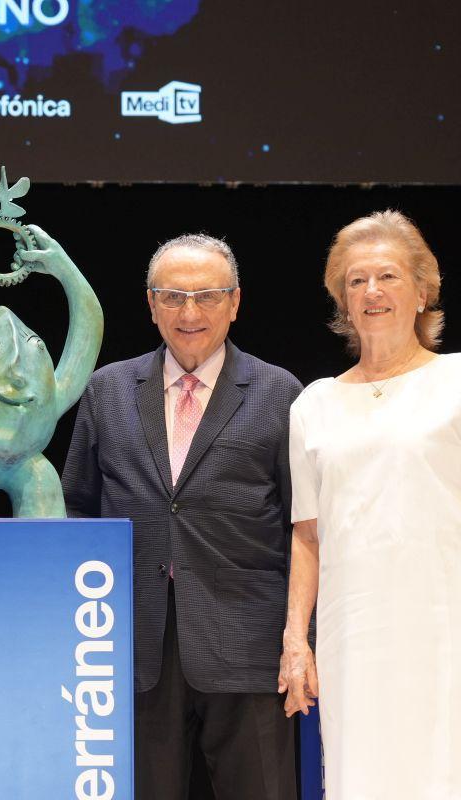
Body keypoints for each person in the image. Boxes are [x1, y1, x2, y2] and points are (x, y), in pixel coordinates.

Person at [279, 210, 461, 798]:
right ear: (342, 300)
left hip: (455, 624)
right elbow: (306, 534)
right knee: (364, 771)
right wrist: (297, 640)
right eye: (356, 280)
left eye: (389, 277)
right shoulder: (313, 405)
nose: (372, 292)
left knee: (459, 769)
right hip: (356, 630)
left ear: (423, 291)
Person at [63, 234, 302, 800]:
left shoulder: (280, 392)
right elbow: (76, 506)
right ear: (150, 304)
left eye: (207, 296)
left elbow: (306, 527)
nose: (189, 313)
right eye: (172, 297)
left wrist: (303, 640)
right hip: (132, 647)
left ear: (235, 301)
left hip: (252, 648)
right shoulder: (108, 389)